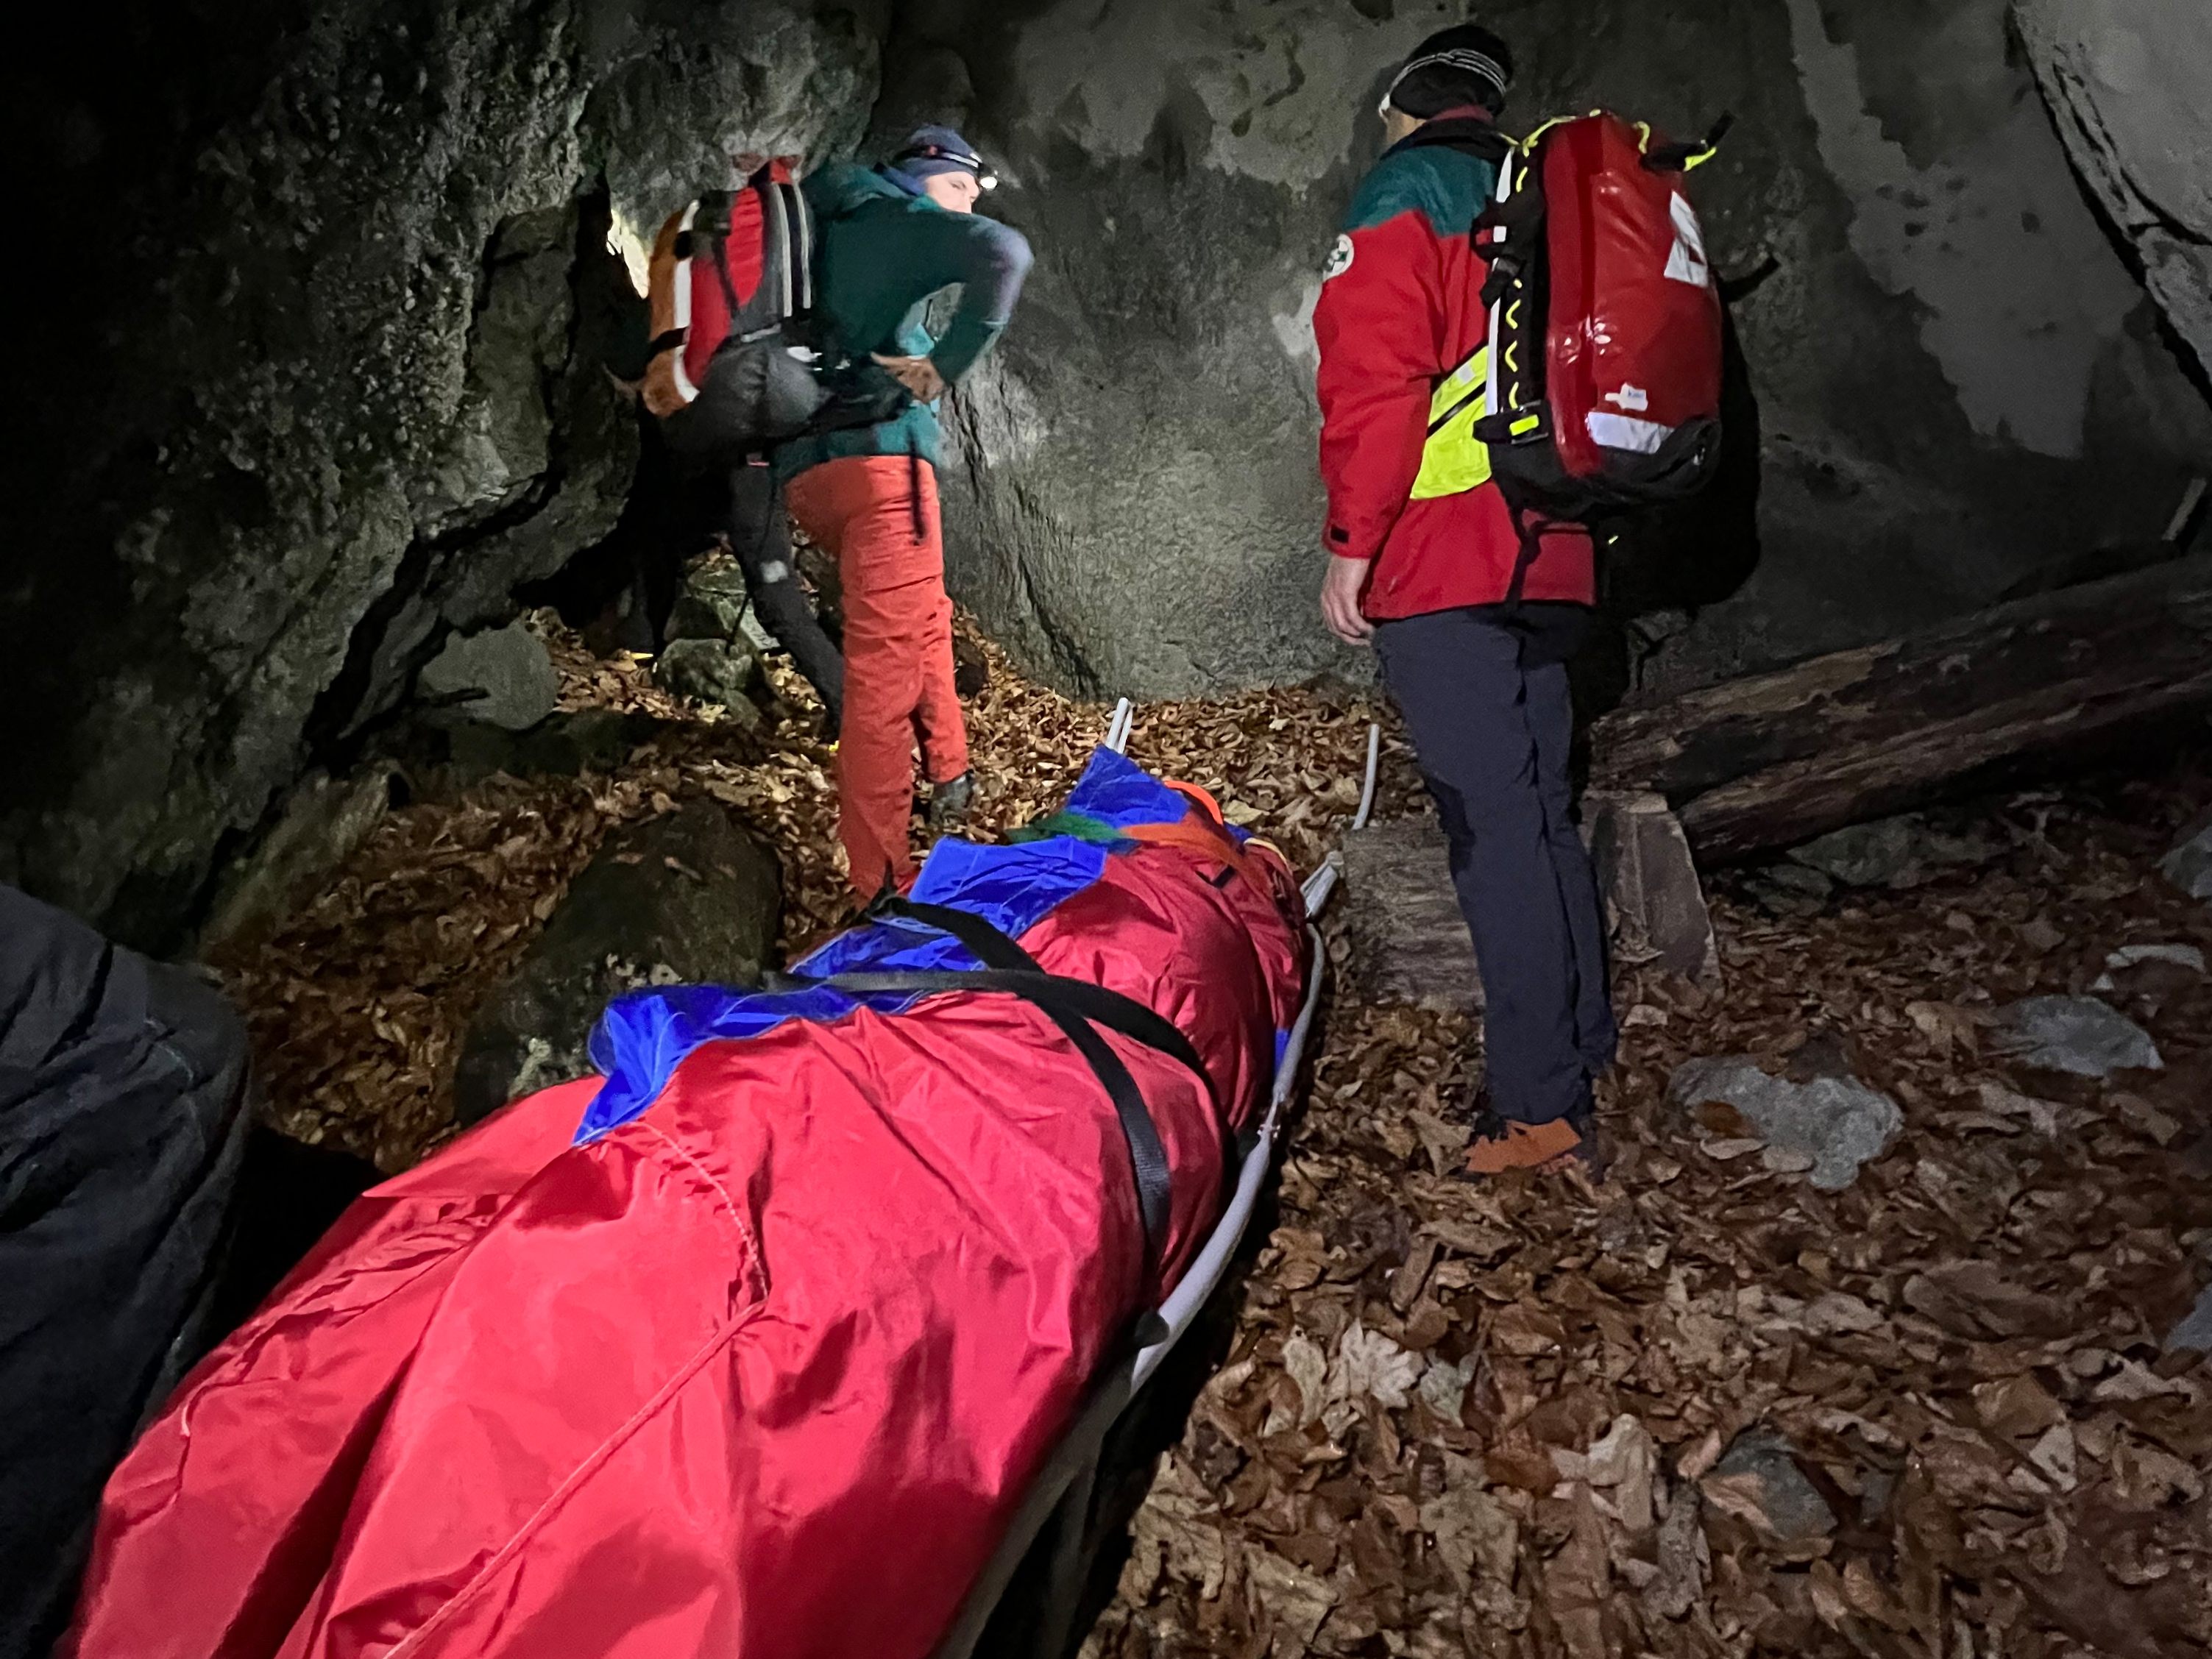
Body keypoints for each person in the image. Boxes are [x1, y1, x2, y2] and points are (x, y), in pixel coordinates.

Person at [1313, 27, 1617, 1173]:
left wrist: (1352, 542)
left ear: (1402, 103)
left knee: (1491, 830)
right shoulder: (1543, 191)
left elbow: (1375, 381)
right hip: (1561, 548)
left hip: (1448, 560)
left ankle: (1539, 1104)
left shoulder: (1409, 188)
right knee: (1538, 806)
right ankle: (1579, 1039)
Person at [778, 126, 1033, 895]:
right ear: (927, 173)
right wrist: (932, 375)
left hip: (809, 471)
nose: (963, 205)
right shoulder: (897, 218)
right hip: (881, 466)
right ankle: (880, 880)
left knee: (923, 615)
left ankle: (951, 772)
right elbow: (1003, 255)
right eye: (961, 188)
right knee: (881, 684)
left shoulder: (817, 222)